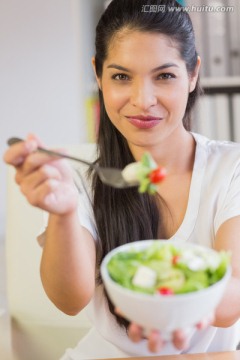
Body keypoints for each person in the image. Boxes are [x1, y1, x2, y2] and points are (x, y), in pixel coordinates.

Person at [4, 0, 240, 358]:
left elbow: (231, 297)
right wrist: (64, 213)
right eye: (121, 76)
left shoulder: (231, 167)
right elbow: (69, 300)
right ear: (97, 75)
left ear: (193, 75)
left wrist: (174, 303)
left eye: (164, 76)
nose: (142, 100)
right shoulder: (79, 177)